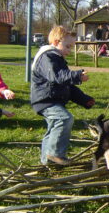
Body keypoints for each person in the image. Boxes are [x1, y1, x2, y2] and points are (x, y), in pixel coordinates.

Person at [30, 26, 95, 166]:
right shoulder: (47, 57)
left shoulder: (57, 58)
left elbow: (68, 86)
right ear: (55, 42)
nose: (69, 50)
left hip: (52, 99)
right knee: (64, 119)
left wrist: (84, 99)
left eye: (71, 47)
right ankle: (55, 154)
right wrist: (77, 75)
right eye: (67, 46)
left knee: (54, 127)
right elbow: (58, 76)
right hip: (45, 100)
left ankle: (47, 162)